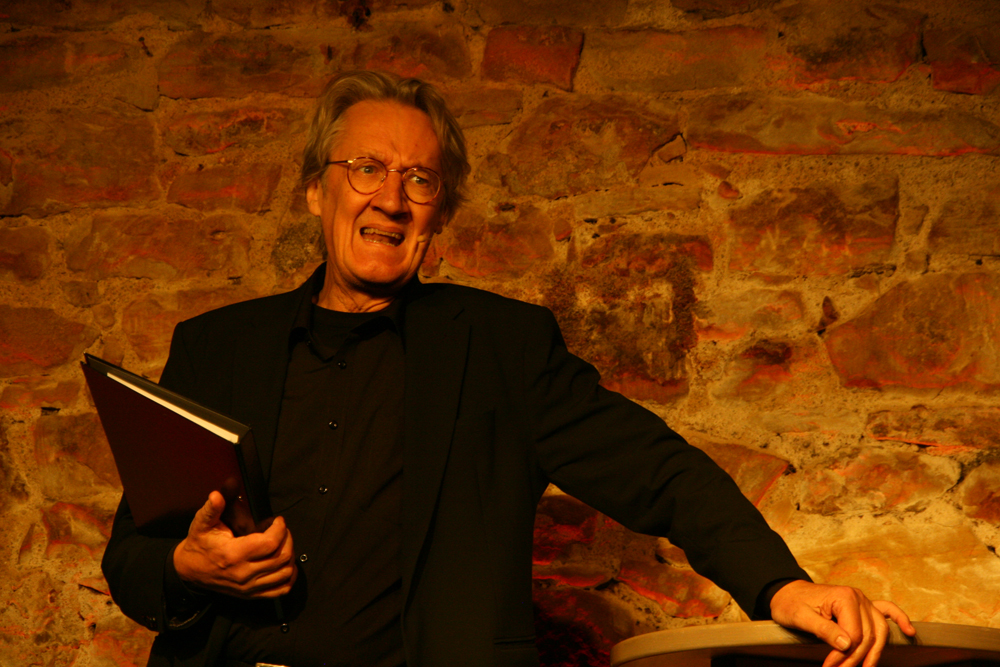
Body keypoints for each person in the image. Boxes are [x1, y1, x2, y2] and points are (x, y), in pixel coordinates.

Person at [102, 71, 915, 667]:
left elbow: (658, 470)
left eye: (420, 180)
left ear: (439, 214)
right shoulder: (214, 348)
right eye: (367, 168)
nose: (392, 198)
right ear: (317, 191)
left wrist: (780, 585)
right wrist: (184, 566)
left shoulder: (503, 349)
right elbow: (132, 561)